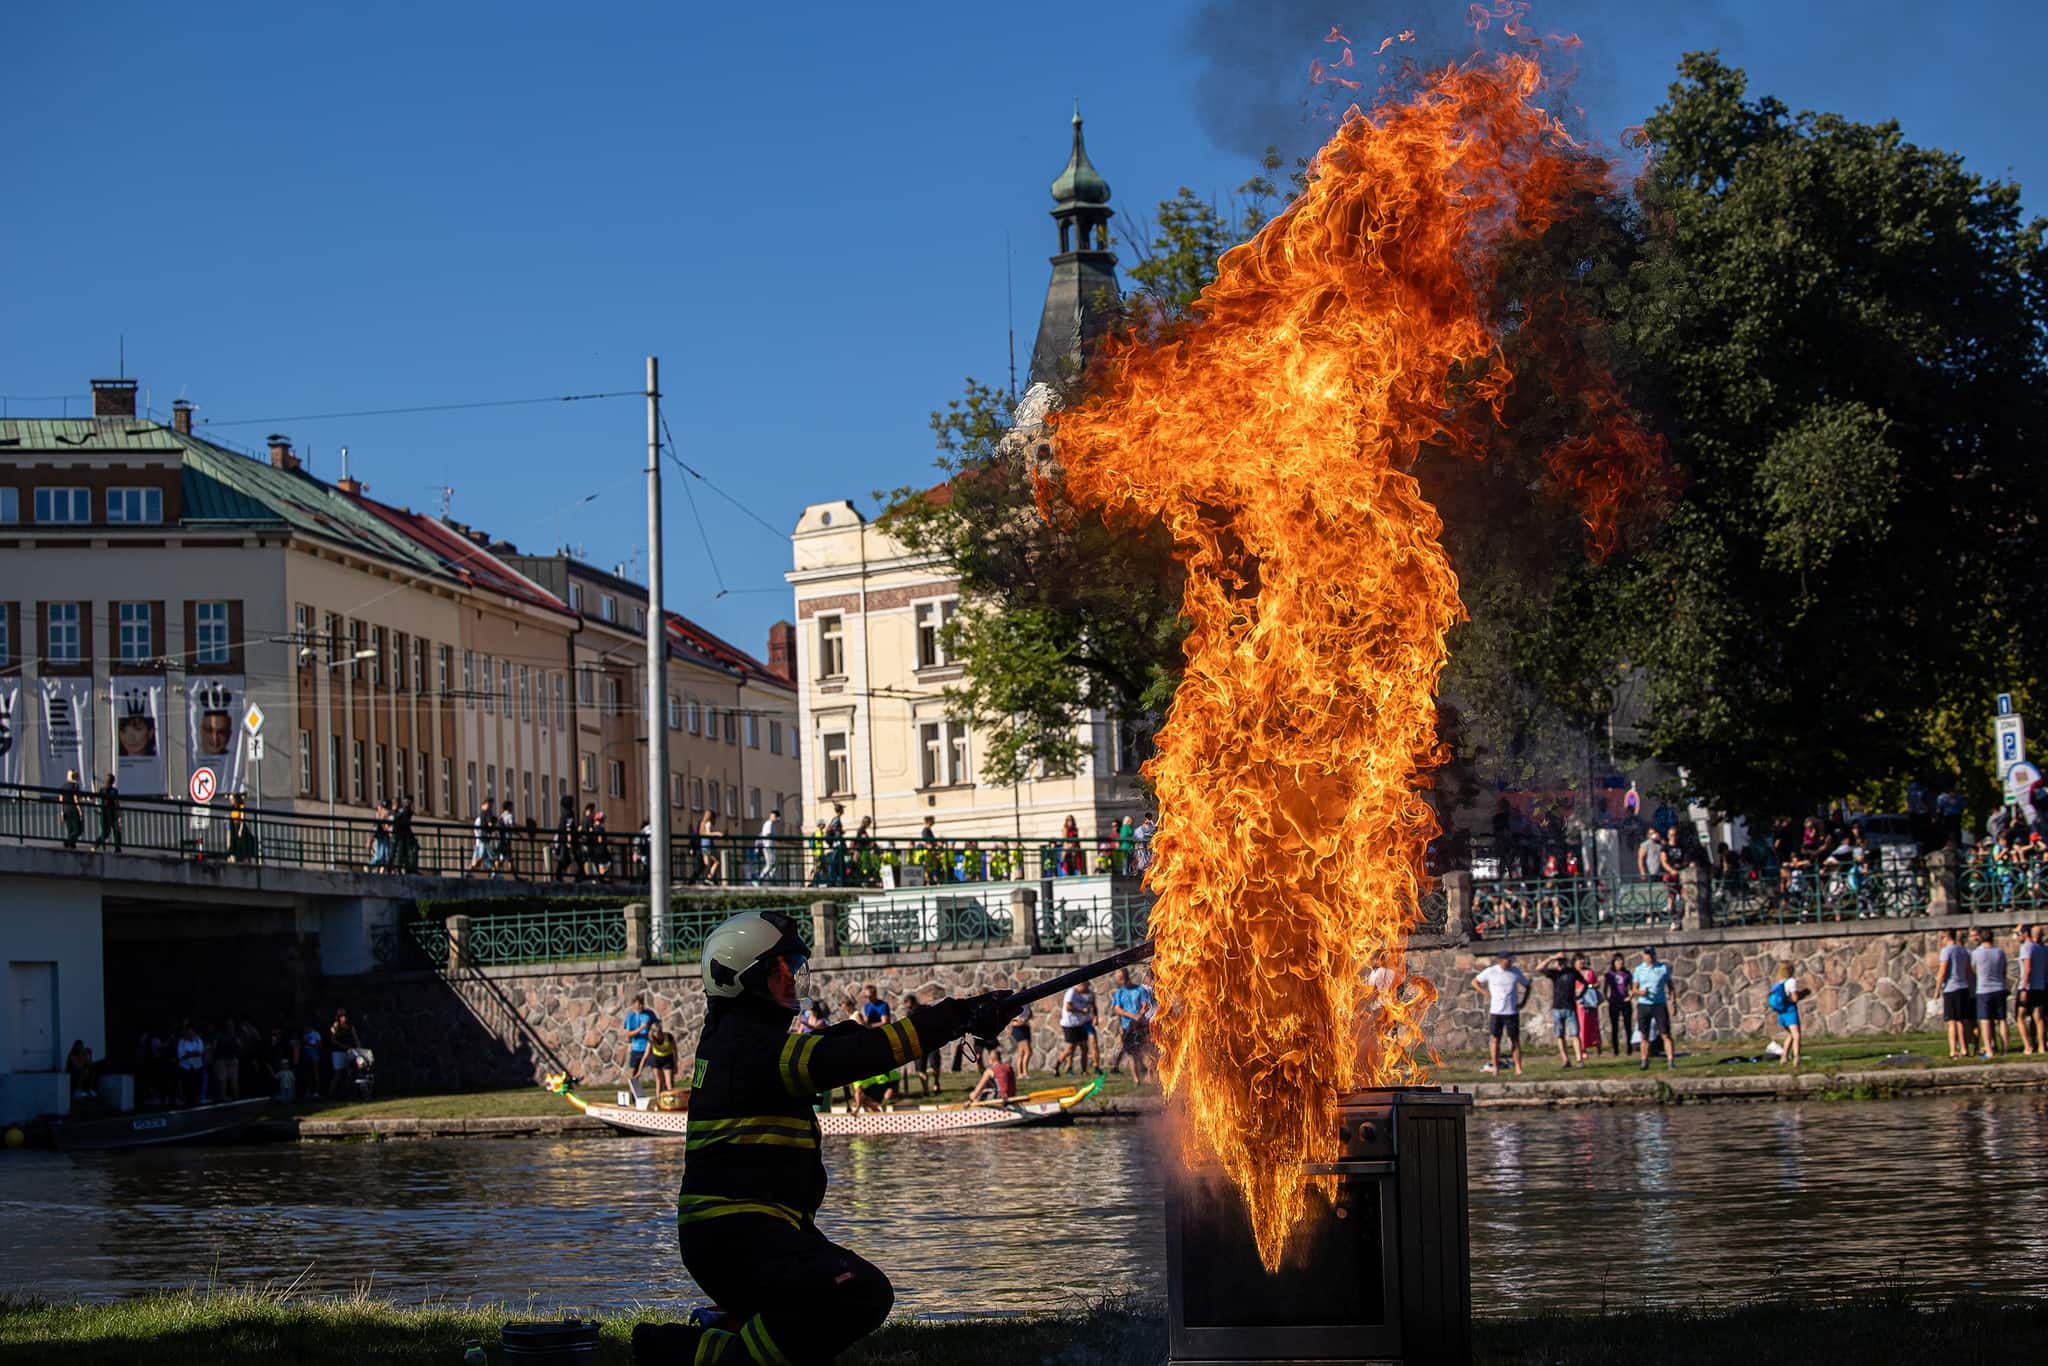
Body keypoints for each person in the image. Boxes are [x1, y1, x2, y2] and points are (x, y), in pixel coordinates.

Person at [631, 909, 1012, 1365]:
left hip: (743, 1234)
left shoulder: (736, 1039)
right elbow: (855, 1054)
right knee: (860, 1292)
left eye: (793, 970)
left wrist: (964, 1016)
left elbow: (840, 1042)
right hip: (737, 1237)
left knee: (813, 1315)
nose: (791, 982)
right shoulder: (754, 1048)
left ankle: (724, 1329)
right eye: (778, 972)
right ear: (739, 981)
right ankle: (691, 1352)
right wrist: (953, 1018)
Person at [1472, 951, 1530, 1076]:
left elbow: (1527, 985)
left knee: (1514, 1040)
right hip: (1496, 1011)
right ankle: (1495, 1067)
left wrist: (1523, 1002)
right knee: (1495, 1039)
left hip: (1511, 1011)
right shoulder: (1491, 971)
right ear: (1500, 960)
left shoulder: (1515, 971)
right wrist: (1485, 993)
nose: (1509, 962)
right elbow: (1475, 982)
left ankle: (1518, 1068)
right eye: (1507, 960)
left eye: (1510, 960)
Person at [1108, 967, 1158, 1083]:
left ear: (1126, 976)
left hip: (1141, 1026)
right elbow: (1117, 1009)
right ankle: (1136, 1080)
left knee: (1147, 1051)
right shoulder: (1119, 993)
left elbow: (1146, 1005)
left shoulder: (1139, 990)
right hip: (1127, 1027)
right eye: (1118, 979)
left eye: (1122, 978)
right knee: (1131, 1054)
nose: (1120, 981)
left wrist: (1140, 1014)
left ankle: (1151, 1075)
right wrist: (1132, 1016)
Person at [1630, 946, 1676, 1070]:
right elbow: (1634, 989)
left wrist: (1673, 1003)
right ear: (1643, 956)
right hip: (1644, 1004)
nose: (1649, 957)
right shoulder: (1639, 969)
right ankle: (1644, 1060)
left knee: (1665, 1034)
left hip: (1659, 1004)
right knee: (1644, 1035)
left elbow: (1670, 986)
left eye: (1650, 954)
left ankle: (1671, 1061)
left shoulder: (1662, 968)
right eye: (1646, 954)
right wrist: (1641, 992)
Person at [1936, 926, 1976, 1059]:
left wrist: (1937, 990)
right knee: (1962, 1020)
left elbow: (1942, 972)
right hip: (1963, 987)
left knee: (1952, 1021)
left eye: (1942, 937)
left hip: (1951, 988)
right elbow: (1969, 971)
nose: (1941, 940)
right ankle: (1964, 1049)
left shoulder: (1946, 951)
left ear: (1946, 937)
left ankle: (1953, 1051)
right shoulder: (1963, 951)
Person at [1539, 953, 1586, 1067]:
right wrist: (1551, 958)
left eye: (1562, 960)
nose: (1560, 963)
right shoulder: (1554, 973)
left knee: (1575, 1034)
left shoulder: (1572, 972)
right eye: (1559, 960)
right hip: (1557, 1008)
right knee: (1559, 1035)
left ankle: (1579, 1059)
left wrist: (1579, 995)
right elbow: (1539, 968)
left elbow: (1585, 984)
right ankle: (1565, 1060)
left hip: (1570, 1007)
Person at [1970, 925, 2009, 1060]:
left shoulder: (1976, 953)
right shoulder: (2000, 952)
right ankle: (2005, 1049)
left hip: (1983, 989)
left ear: (1981, 938)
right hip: (1999, 987)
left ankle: (1989, 1050)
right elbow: (2004, 970)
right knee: (2002, 1020)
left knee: (1985, 1020)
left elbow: (1973, 969)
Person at [1052, 979, 1096, 1076]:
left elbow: (1091, 1004)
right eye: (1086, 986)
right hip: (1070, 1025)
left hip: (1079, 1024)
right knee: (1070, 1049)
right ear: (1081, 984)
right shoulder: (1071, 992)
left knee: (1084, 1047)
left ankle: (1084, 1071)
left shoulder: (1084, 994)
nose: (1087, 989)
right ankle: (1056, 1066)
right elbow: (1068, 1007)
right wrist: (1082, 1011)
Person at [1767, 960, 1806, 1067]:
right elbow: (1794, 998)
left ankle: (1784, 1057)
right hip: (1790, 1011)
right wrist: (1802, 994)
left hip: (1781, 1012)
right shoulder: (1791, 981)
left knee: (1790, 1035)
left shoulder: (1779, 983)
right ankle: (1797, 1058)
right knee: (1796, 1035)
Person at [2017, 924, 2047, 1056]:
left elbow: (2027, 968)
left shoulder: (2026, 947)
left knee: (2020, 1017)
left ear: (2025, 934)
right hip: (2040, 986)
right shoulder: (2041, 948)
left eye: (2018, 934)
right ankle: (2041, 1046)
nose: (2017, 936)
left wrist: (2024, 987)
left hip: (2029, 987)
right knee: (2039, 1017)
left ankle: (2028, 1046)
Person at [327, 1008, 361, 1098]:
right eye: (342, 1016)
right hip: (338, 1052)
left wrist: (359, 1049)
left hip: (349, 1051)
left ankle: (348, 1093)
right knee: (338, 1072)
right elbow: (333, 1039)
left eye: (345, 1016)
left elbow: (356, 1039)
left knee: (349, 1071)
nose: (344, 1018)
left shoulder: (350, 1027)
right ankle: (330, 1094)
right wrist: (342, 1046)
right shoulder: (336, 1025)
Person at [1571, 954, 1601, 1057]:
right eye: (1579, 960)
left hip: (1590, 1001)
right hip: (1579, 1003)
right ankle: (1583, 1049)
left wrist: (1589, 986)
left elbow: (1597, 983)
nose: (1581, 961)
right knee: (1582, 1024)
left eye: (1582, 959)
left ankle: (1596, 1045)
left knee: (1593, 1023)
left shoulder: (1590, 972)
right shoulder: (1572, 973)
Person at [624, 994, 655, 1088]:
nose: (641, 1006)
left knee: (656, 1068)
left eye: (642, 1004)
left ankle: (662, 1091)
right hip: (636, 1048)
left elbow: (657, 1026)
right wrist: (640, 1029)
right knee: (633, 1072)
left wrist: (651, 1029)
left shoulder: (649, 1014)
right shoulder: (630, 1017)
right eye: (639, 1004)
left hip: (648, 1047)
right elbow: (628, 1034)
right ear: (634, 1004)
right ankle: (633, 1092)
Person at [1602, 954, 1631, 1057]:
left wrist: (1630, 996)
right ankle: (1616, 1049)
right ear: (1614, 962)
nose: (1620, 963)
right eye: (1617, 961)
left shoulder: (1627, 974)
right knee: (1615, 1026)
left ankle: (1629, 1048)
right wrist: (1607, 998)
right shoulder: (1610, 974)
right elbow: (1605, 988)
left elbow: (1632, 986)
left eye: (1621, 960)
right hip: (1614, 1002)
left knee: (1628, 1025)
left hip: (1625, 1001)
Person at [175, 1020, 206, 1106]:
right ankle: (187, 1104)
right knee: (187, 1087)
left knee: (197, 1087)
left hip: (197, 1067)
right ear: (186, 1031)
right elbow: (180, 1055)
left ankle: (197, 1104)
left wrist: (188, 1054)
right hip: (185, 1068)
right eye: (189, 1030)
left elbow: (200, 1052)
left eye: (192, 1030)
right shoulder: (181, 1042)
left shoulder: (199, 1040)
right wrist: (193, 1053)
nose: (190, 1032)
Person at [647, 1021, 678, 1095]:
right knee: (659, 1082)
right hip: (656, 1060)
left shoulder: (669, 1037)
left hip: (667, 1059)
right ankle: (659, 1100)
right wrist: (639, 1071)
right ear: (653, 1033)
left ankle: (671, 1099)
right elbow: (646, 1055)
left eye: (661, 1031)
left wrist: (675, 1064)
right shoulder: (651, 1039)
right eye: (658, 1033)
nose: (660, 1034)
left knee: (669, 1082)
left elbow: (675, 1051)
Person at [1007, 999, 1035, 1079]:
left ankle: (1020, 1074)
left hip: (1025, 1028)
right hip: (1018, 1028)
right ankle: (1025, 1073)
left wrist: (1026, 1019)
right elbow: (1011, 1017)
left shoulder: (1027, 1004)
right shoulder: (1018, 1003)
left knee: (1022, 1053)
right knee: (1028, 1052)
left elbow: (1029, 1015)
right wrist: (1017, 1021)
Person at [755, 809, 782, 886]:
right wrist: (775, 837)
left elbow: (773, 835)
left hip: (771, 846)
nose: (776, 819)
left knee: (774, 864)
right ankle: (759, 879)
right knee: (770, 864)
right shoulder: (769, 823)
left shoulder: (772, 824)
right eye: (775, 817)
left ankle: (773, 880)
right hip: (768, 846)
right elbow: (768, 834)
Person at [59, 769, 84, 847]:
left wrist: (62, 811)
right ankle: (68, 841)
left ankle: (71, 844)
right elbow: (75, 799)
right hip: (73, 808)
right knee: (77, 829)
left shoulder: (63, 786)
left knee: (70, 829)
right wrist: (80, 810)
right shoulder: (75, 786)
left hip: (65, 808)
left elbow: (61, 799)